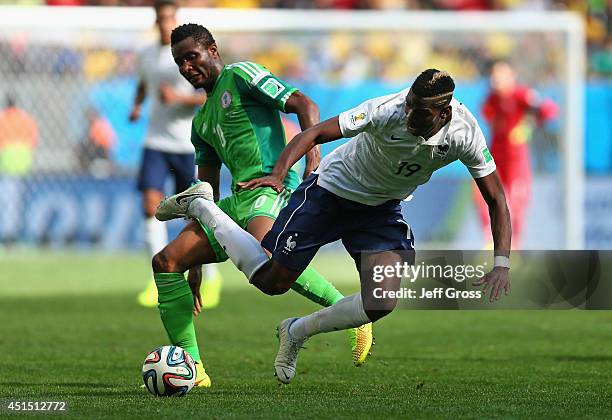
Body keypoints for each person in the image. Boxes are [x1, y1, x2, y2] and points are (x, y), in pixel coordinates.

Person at [158, 69, 512, 384]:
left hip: (380, 210)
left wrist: (501, 264)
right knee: (272, 282)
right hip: (330, 193)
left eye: (418, 112)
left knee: (382, 301)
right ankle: (202, 207)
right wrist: (278, 175)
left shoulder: (465, 134)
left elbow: (496, 198)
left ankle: (297, 331)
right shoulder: (385, 110)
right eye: (407, 105)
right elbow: (314, 133)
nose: (407, 115)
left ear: (444, 113)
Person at [152, 23, 374, 387]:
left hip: (271, 186)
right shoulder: (200, 122)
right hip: (234, 200)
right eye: (180, 62)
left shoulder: (241, 75)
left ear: (213, 50)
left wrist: (311, 163)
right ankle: (193, 368)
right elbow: (203, 193)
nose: (187, 67)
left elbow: (305, 104)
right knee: (166, 262)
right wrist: (195, 268)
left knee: (269, 260)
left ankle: (352, 314)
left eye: (192, 57)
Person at [129, 0, 222, 308]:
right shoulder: (146, 55)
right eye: (159, 18)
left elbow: (207, 96)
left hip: (189, 145)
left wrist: (177, 97)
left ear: (176, 18)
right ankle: (156, 279)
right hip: (156, 141)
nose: (163, 23)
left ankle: (208, 277)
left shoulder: (185, 55)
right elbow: (144, 84)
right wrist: (137, 105)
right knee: (149, 204)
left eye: (169, 18)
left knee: (200, 209)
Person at [475, 61, 558, 248]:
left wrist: (527, 126)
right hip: (495, 155)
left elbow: (548, 110)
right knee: (483, 194)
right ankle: (491, 240)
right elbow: (489, 117)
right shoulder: (492, 99)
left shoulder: (523, 95)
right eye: (493, 74)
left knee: (516, 200)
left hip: (515, 158)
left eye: (501, 74)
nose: (495, 78)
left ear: (512, 76)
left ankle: (514, 245)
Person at [0, 94, 38, 245]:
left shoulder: (3, 118)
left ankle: (8, 235)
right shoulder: (26, 118)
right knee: (14, 202)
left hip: (6, 163)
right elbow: (33, 140)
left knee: (8, 201)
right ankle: (11, 233)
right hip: (23, 163)